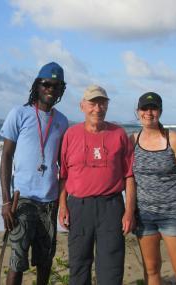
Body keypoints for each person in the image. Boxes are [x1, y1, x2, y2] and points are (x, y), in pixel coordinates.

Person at [0, 62, 69, 285]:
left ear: (61, 90)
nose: (51, 89)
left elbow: (64, 166)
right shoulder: (19, 113)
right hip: (23, 199)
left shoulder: (62, 121)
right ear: (37, 85)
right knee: (17, 262)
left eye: (56, 86)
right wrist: (6, 202)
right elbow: (6, 157)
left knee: (45, 262)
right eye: (46, 84)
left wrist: (63, 203)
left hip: (49, 202)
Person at [58, 84, 136, 285]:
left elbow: (129, 175)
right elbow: (64, 175)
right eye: (93, 103)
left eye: (102, 103)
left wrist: (129, 211)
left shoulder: (118, 133)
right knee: (78, 264)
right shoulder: (71, 134)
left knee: (111, 266)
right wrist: (63, 205)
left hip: (111, 206)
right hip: (79, 207)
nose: (98, 108)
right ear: (82, 106)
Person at [132, 92, 176, 285]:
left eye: (153, 108)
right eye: (144, 108)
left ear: (160, 111)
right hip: (144, 217)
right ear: (138, 112)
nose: (148, 112)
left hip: (173, 215)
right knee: (151, 271)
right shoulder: (132, 140)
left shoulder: (174, 139)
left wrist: (175, 198)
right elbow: (126, 178)